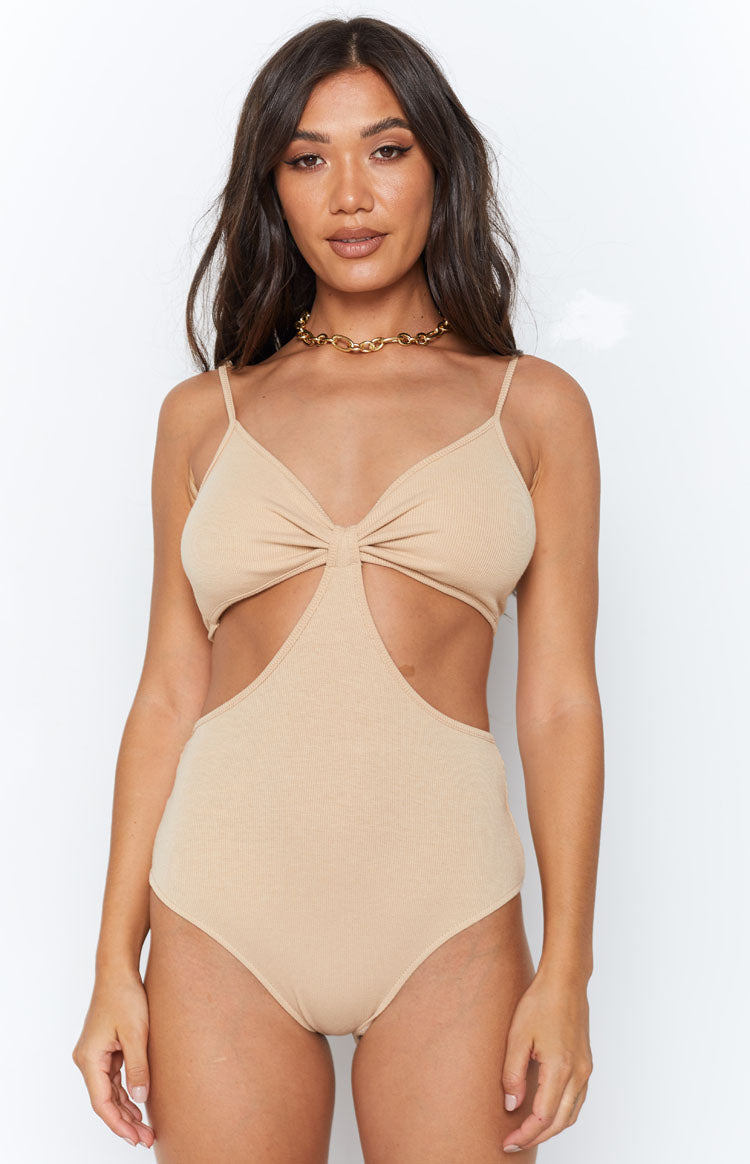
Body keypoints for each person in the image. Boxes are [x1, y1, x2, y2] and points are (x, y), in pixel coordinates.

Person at [72, 15, 603, 1161]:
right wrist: (114, 960)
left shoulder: (533, 408)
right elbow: (166, 695)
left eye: (387, 149)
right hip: (221, 905)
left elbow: (560, 701)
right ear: (271, 187)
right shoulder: (202, 418)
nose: (350, 195)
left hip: (448, 910)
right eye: (307, 158)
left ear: (442, 168)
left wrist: (568, 969)